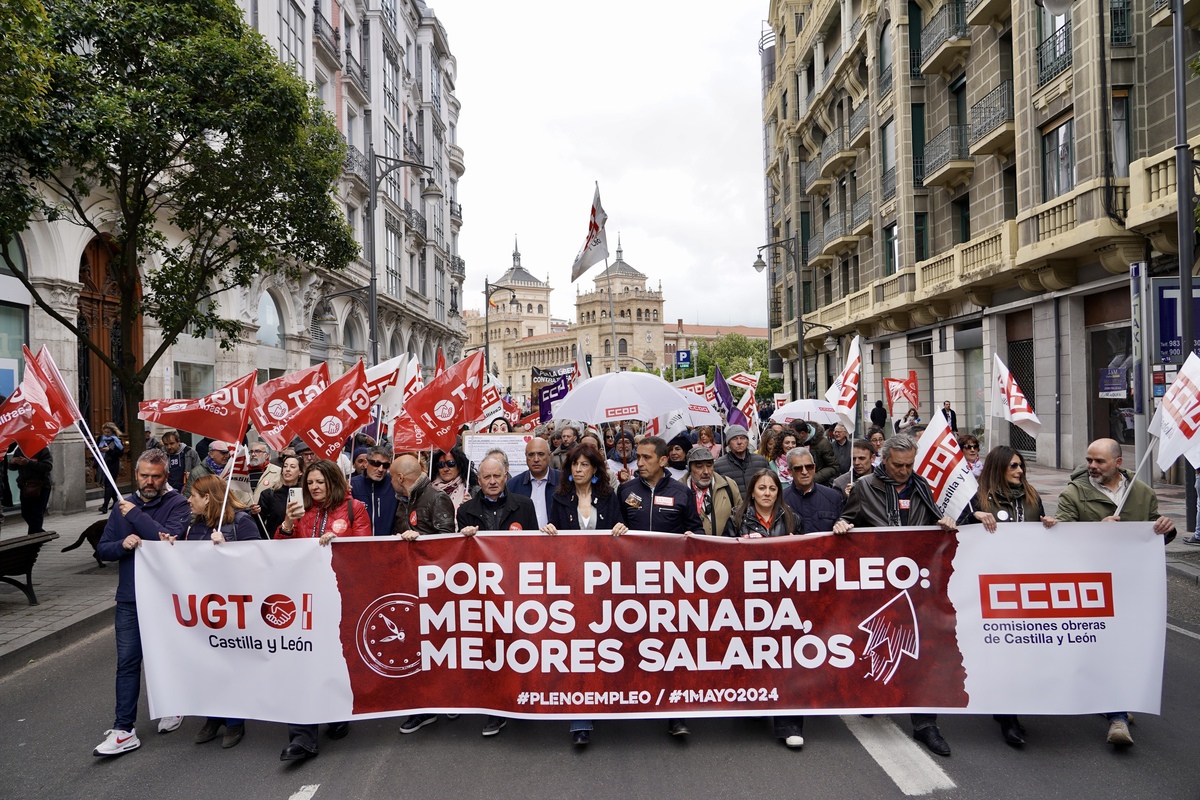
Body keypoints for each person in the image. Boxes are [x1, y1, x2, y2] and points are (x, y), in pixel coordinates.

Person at [833, 435, 957, 757]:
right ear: (883, 460)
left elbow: (934, 520)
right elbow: (848, 518)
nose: (904, 471)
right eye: (898, 465)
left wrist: (944, 523)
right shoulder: (863, 487)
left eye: (910, 464)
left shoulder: (921, 486)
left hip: (917, 583)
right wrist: (843, 525)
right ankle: (875, 694)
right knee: (878, 643)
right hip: (878, 585)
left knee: (921, 650)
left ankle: (925, 723)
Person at [1053, 437, 1175, 748]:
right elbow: (1060, 541)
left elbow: (1150, 541)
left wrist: (1165, 529)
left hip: (1130, 586)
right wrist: (1097, 532)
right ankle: (1117, 717)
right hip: (1091, 588)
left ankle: (1113, 699)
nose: (1092, 466)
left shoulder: (1142, 494)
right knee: (1102, 645)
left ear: (1118, 463)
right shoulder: (1074, 494)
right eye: (1089, 460)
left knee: (1126, 646)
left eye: (1099, 462)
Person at [92, 448, 191, 757]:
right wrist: (122, 544)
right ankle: (124, 729)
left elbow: (166, 541)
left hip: (165, 597)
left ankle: (173, 704)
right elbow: (103, 550)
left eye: (156, 476)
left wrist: (134, 516)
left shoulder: (178, 504)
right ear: (135, 475)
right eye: (144, 475)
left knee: (167, 655)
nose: (149, 481)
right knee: (128, 661)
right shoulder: (123, 506)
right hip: (130, 598)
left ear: (167, 477)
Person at [956, 446, 1057, 747]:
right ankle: (1008, 716)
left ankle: (1010, 707)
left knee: (1022, 648)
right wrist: (972, 516)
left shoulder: (1031, 497)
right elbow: (955, 536)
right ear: (998, 468)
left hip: (1025, 586)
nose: (1019, 471)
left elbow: (1038, 535)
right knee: (1001, 648)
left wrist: (1048, 526)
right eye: (1013, 466)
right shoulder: (978, 498)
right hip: (990, 587)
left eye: (1021, 466)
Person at [275, 460, 370, 760]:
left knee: (334, 662)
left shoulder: (355, 509)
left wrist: (338, 542)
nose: (314, 488)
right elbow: (282, 553)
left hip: (342, 599)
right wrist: (288, 526)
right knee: (302, 664)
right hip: (307, 600)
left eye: (320, 482)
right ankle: (303, 738)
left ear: (333, 482)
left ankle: (338, 713)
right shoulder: (303, 513)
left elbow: (367, 549)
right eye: (310, 483)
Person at [540, 443, 628, 746]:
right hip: (572, 585)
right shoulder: (560, 498)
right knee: (577, 650)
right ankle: (580, 718)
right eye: (574, 464)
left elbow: (622, 533)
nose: (578, 469)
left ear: (594, 470)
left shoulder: (608, 497)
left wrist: (621, 528)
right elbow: (553, 539)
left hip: (604, 585)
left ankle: (609, 698)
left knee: (605, 647)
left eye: (584, 464)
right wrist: (550, 531)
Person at [616, 436, 702, 737]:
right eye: (637, 457)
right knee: (632, 645)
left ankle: (674, 713)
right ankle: (629, 699)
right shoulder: (626, 490)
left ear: (664, 461)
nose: (639, 463)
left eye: (646, 458)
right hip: (632, 584)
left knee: (670, 647)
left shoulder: (682, 492)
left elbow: (697, 529)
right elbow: (611, 534)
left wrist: (693, 538)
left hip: (670, 584)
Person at [448, 455, 537, 738]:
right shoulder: (466, 510)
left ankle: (523, 698)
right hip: (483, 592)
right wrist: (464, 537)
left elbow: (534, 546)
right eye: (486, 477)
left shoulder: (524, 505)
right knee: (490, 651)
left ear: (506, 475)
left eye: (497, 476)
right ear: (478, 480)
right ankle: (494, 710)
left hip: (517, 589)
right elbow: (462, 554)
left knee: (520, 646)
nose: (492, 482)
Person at [722, 468, 804, 749]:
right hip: (749, 600)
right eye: (762, 488)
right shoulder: (736, 518)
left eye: (772, 489)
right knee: (752, 655)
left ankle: (789, 724)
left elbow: (810, 557)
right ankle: (755, 700)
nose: (767, 493)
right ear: (752, 492)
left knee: (787, 660)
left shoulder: (792, 517)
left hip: (784, 600)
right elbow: (722, 558)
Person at [182, 475, 259, 749]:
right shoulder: (194, 526)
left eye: (193, 495)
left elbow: (259, 559)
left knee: (230, 664)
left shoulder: (240, 522)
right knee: (207, 663)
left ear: (208, 498)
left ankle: (235, 721)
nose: (189, 500)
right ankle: (213, 716)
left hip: (234, 608)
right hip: (205, 610)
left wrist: (228, 549)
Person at [391, 454, 456, 539]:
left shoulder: (437, 498)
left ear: (400, 478)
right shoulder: (403, 501)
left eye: (392, 477)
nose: (391, 482)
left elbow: (447, 539)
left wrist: (419, 538)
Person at [782, 447, 845, 533]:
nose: (804, 472)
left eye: (809, 467)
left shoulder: (833, 497)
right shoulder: (780, 500)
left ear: (814, 467)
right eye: (798, 468)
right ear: (790, 471)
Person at [684, 446, 741, 536]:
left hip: (725, 547)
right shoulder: (679, 490)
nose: (706, 471)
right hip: (693, 548)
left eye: (709, 465)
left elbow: (741, 516)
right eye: (699, 466)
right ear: (689, 468)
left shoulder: (728, 484)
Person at [507, 437, 560, 528]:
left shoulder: (563, 482)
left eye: (540, 454)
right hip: (524, 540)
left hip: (556, 539)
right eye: (531, 455)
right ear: (526, 457)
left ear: (549, 456)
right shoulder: (513, 485)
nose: (536, 459)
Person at [350, 446, 398, 536]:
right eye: (376, 463)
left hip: (388, 544)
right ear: (366, 463)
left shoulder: (394, 484)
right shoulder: (352, 485)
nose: (380, 469)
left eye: (386, 465)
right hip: (361, 544)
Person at [6, 444, 54, 534]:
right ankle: (40, 534)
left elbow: (48, 467)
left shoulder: (43, 450)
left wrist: (28, 463)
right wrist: (12, 462)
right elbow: (12, 468)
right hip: (25, 486)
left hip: (41, 486)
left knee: (37, 514)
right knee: (26, 513)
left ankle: (34, 540)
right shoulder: (20, 450)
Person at [714, 425, 771, 495]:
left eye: (742, 438)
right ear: (728, 443)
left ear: (747, 441)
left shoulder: (761, 461)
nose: (739, 442)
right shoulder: (719, 466)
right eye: (734, 439)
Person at [256, 454, 302, 539]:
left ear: (300, 472)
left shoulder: (306, 494)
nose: (287, 470)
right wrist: (254, 514)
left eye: (292, 467)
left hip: (300, 543)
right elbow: (260, 524)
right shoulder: (268, 494)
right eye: (285, 466)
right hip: (274, 542)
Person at [161, 430, 201, 494]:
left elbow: (199, 471)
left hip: (187, 490)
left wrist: (191, 475)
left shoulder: (190, 452)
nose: (169, 447)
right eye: (166, 444)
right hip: (167, 491)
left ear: (178, 442)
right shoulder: (161, 455)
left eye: (171, 443)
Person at [97, 422, 125, 514]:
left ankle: (104, 506)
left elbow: (120, 453)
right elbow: (96, 449)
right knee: (109, 484)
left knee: (109, 484)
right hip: (103, 464)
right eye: (105, 432)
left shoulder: (117, 440)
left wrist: (109, 451)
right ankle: (117, 501)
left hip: (113, 464)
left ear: (112, 432)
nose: (106, 434)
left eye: (108, 432)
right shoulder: (100, 439)